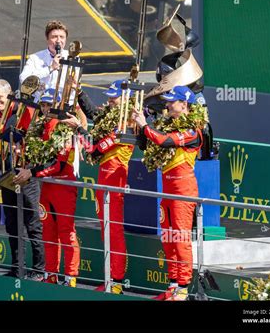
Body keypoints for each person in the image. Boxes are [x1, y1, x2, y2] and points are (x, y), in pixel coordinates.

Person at [61, 80, 134, 294]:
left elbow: (94, 149)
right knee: (106, 231)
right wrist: (79, 91)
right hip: (104, 183)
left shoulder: (126, 124)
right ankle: (110, 279)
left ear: (126, 100)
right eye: (109, 96)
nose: (110, 100)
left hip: (114, 184)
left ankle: (117, 282)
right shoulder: (113, 117)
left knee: (114, 231)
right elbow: (94, 113)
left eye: (114, 97)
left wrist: (79, 129)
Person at [131, 85, 203, 301]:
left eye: (173, 101)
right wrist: (140, 124)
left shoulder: (193, 131)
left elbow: (164, 141)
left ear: (185, 104)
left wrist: (146, 126)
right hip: (167, 192)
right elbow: (147, 145)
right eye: (168, 100)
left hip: (183, 193)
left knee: (181, 239)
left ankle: (182, 287)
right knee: (168, 239)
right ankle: (172, 285)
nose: (168, 104)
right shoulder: (167, 125)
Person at [14, 89, 80, 287]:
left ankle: (70, 277)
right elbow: (39, 157)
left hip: (64, 186)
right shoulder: (41, 125)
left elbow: (57, 165)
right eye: (42, 104)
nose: (45, 108)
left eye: (49, 104)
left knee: (66, 232)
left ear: (59, 105)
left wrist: (32, 173)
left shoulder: (65, 126)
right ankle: (51, 274)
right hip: (48, 186)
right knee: (49, 232)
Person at [0, 79, 44, 281]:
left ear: (10, 94)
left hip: (27, 175)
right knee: (13, 224)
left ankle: (39, 270)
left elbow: (37, 142)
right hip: (8, 175)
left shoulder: (26, 112)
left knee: (33, 223)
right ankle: (17, 268)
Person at [19, 20, 69, 96]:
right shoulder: (35, 58)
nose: (58, 41)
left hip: (62, 104)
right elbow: (24, 79)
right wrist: (50, 68)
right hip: (40, 104)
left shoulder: (72, 57)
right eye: (54, 37)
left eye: (62, 37)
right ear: (47, 39)